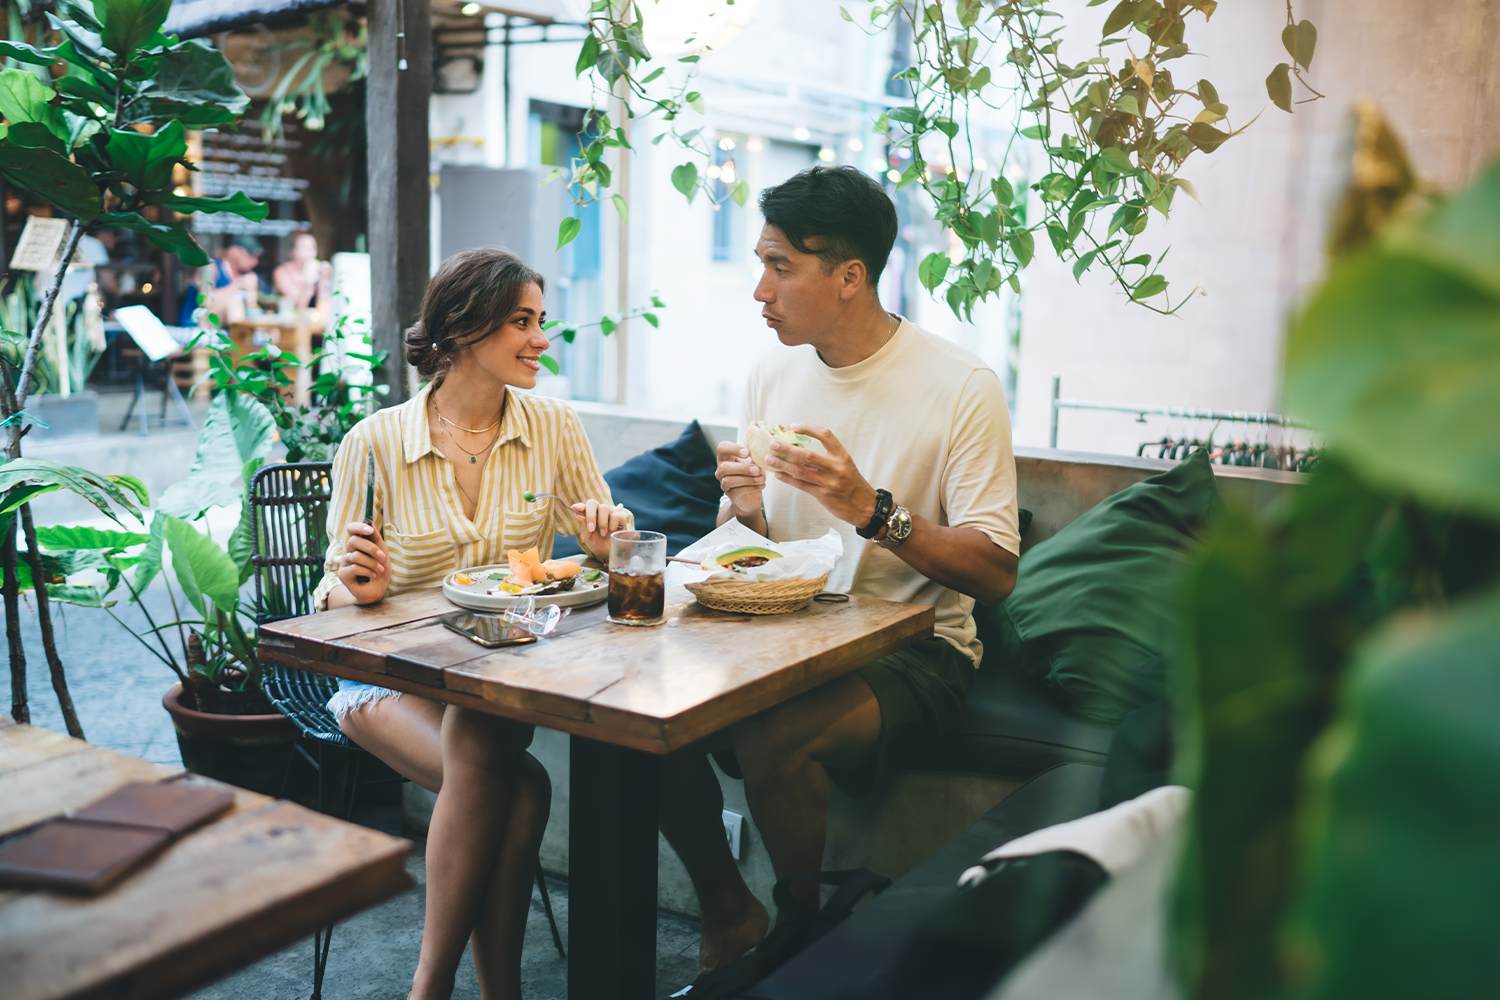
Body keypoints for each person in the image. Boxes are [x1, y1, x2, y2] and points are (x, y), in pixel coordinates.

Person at [659, 166, 1022, 974]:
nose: (760, 289)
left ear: (849, 276)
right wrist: (744, 514)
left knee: (772, 739)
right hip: (783, 632)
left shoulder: (962, 386)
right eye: (760, 262)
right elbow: (760, 547)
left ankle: (801, 937)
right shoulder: (770, 372)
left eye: (781, 266)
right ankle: (730, 909)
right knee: (638, 722)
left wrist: (873, 509)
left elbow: (995, 571)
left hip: (918, 650)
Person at [313, 247, 632, 1000]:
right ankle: (463, 988)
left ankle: (455, 991)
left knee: (500, 754)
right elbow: (329, 600)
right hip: (385, 681)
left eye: (540, 322)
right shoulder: (375, 442)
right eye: (522, 322)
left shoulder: (553, 427)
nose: (541, 341)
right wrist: (357, 588)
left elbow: (615, 553)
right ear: (463, 329)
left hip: (500, 671)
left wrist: (601, 546)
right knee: (511, 777)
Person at [181, 233, 264, 327]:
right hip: (196, 324)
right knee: (234, 301)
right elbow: (204, 301)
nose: (255, 262)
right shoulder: (211, 268)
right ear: (234, 251)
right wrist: (237, 286)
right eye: (251, 256)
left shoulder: (246, 275)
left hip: (227, 325)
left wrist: (252, 294)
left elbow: (251, 308)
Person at [273, 229, 331, 312]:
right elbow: (297, 307)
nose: (309, 252)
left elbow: (325, 307)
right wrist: (307, 284)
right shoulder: (282, 272)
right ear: (292, 252)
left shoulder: (318, 271)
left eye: (312, 248)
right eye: (304, 248)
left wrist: (325, 280)